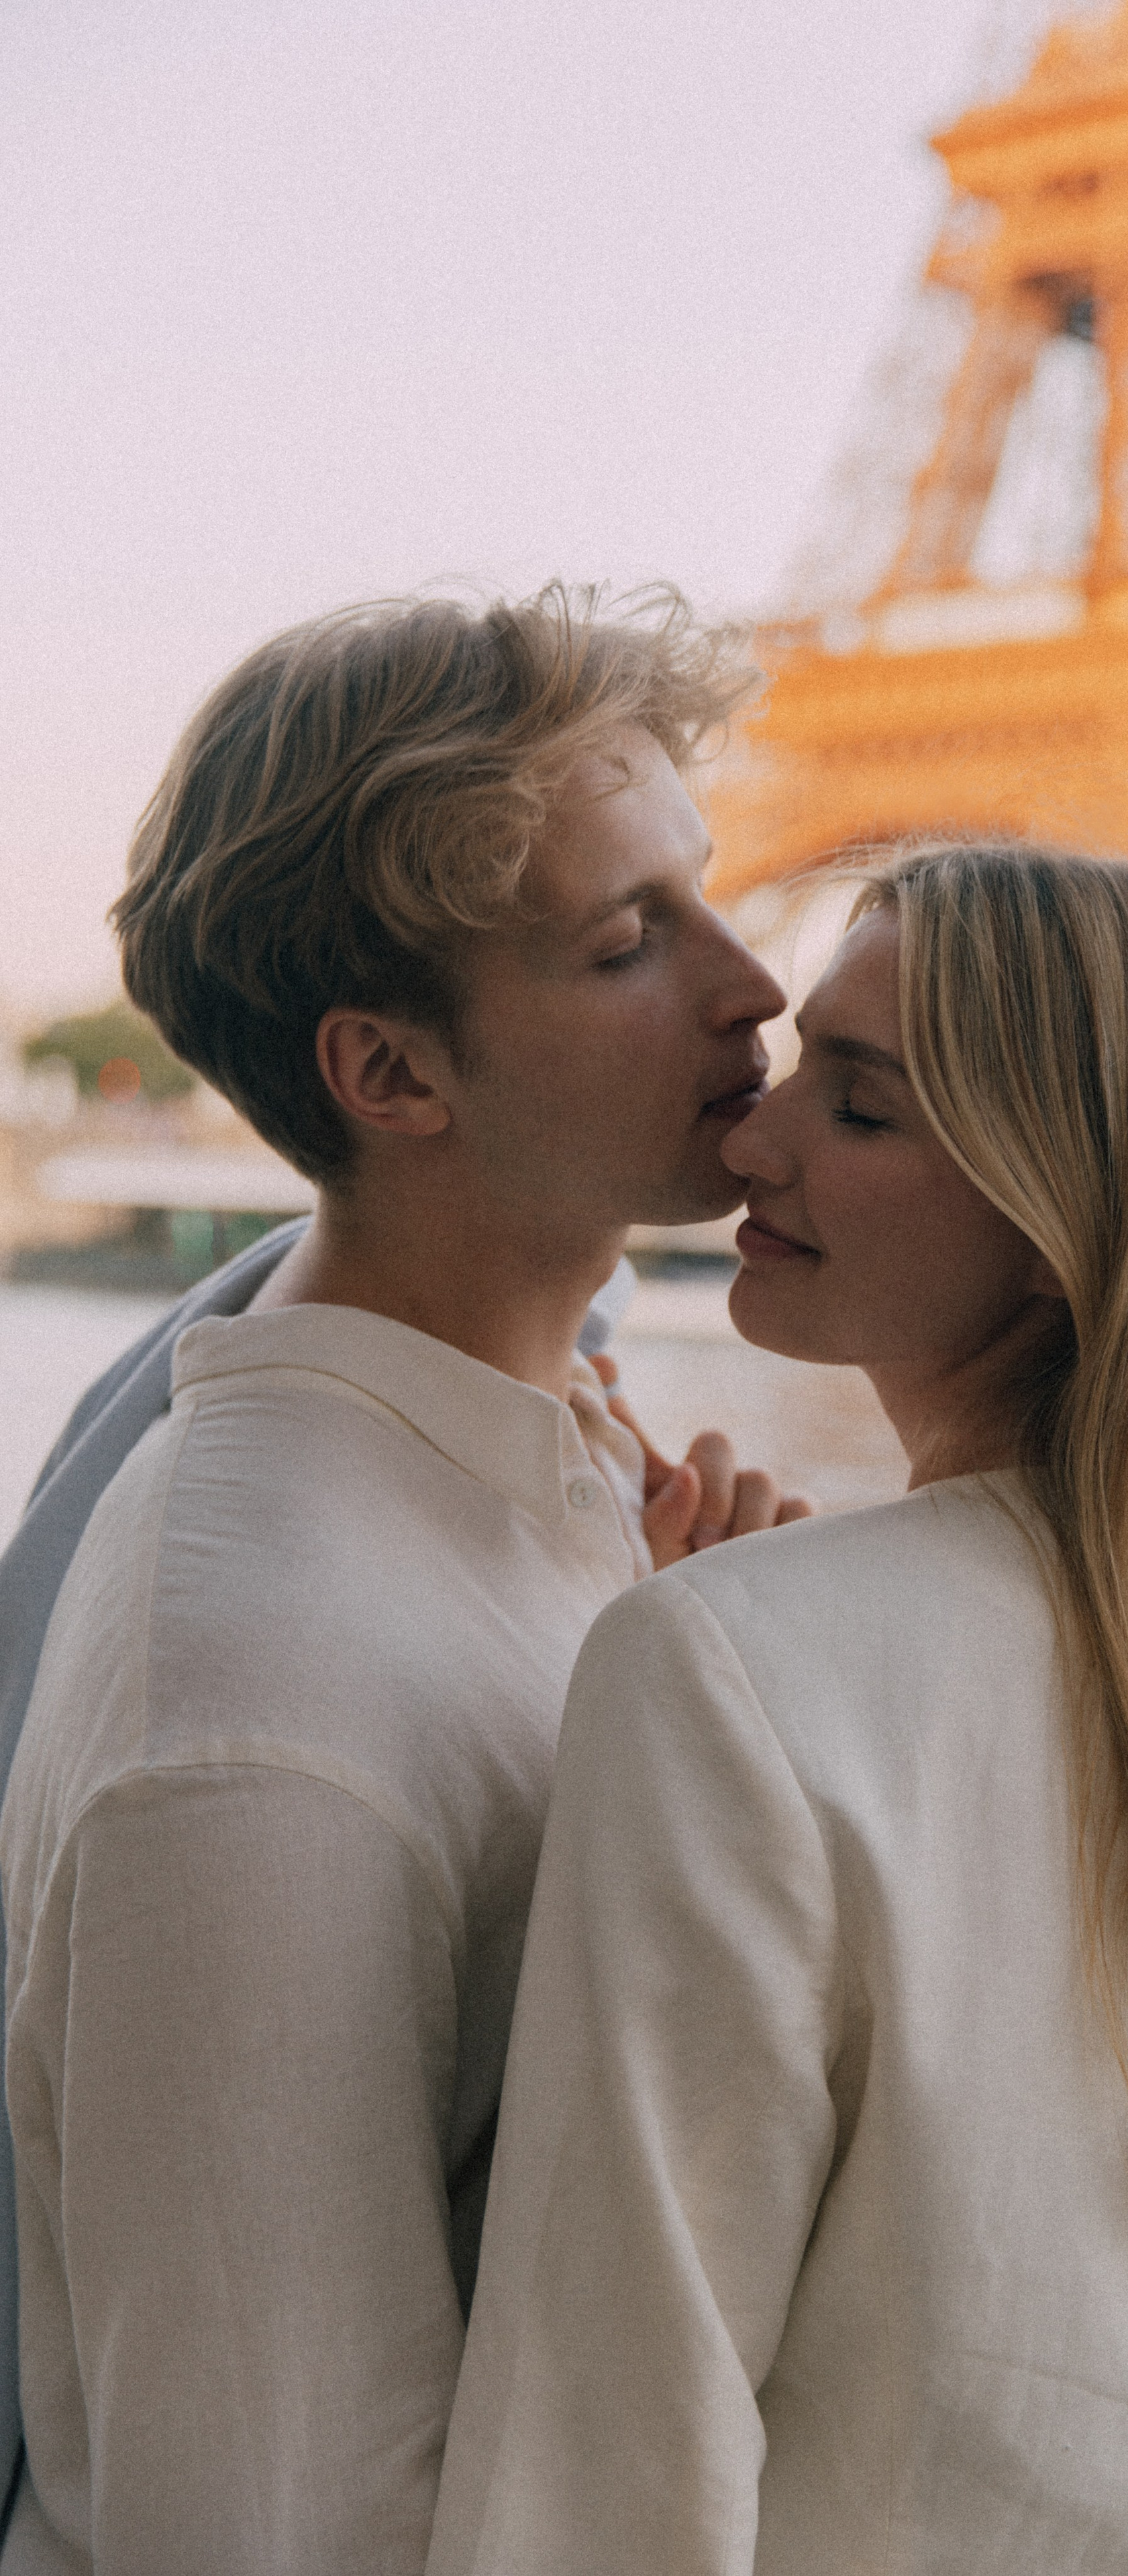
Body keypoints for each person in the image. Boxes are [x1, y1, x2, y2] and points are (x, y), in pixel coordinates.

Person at [427, 845, 1128, 2576]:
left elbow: (604, 2463)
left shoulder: (728, 1673)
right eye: (795, 1075)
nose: (751, 1141)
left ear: (1074, 1218)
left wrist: (715, 1660)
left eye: (862, 1108)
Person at [0, 582, 809, 2575]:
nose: (756, 986)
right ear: (390, 1075)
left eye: (704, 895)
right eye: (631, 943)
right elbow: (263, 2536)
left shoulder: (553, 1453)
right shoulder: (258, 1720)